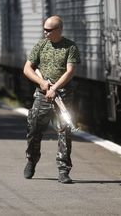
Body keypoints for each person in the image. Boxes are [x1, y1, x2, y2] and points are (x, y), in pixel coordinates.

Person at [22, 15, 80, 184]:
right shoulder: (41, 45)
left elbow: (70, 71)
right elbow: (27, 69)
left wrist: (54, 88)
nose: (45, 33)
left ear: (59, 30)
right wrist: (42, 83)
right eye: (44, 29)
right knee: (33, 130)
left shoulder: (70, 47)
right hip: (42, 96)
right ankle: (31, 161)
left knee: (64, 132)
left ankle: (63, 170)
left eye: (48, 30)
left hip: (63, 97)